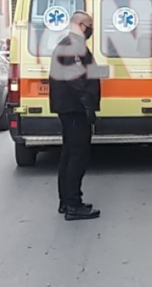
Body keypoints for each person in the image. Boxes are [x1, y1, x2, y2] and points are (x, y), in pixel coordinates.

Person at [49, 11, 102, 221]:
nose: (91, 30)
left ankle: (66, 201)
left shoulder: (69, 44)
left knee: (69, 154)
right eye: (89, 26)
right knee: (78, 155)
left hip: (69, 108)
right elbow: (74, 78)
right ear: (80, 25)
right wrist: (88, 105)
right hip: (74, 109)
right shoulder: (73, 46)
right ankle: (73, 204)